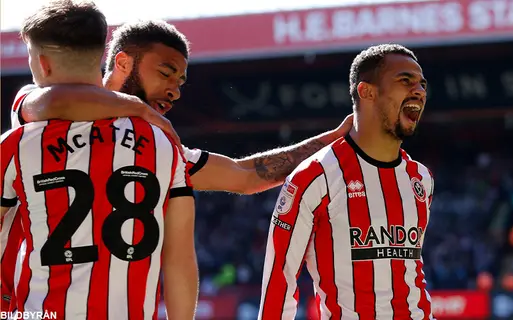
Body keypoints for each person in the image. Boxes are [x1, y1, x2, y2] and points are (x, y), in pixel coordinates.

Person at [2, 19, 352, 313]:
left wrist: (331, 141)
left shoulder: (157, 146)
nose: (174, 90)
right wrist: (137, 108)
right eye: (166, 73)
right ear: (121, 62)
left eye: (180, 82)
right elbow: (43, 100)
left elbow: (246, 177)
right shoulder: (152, 142)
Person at [0, 1, 198, 319]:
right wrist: (140, 109)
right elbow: (179, 261)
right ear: (101, 58)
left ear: (43, 64)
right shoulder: (163, 142)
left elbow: (48, 100)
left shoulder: (18, 139)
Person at [258, 44, 435, 320]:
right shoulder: (314, 177)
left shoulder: (421, 178)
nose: (419, 90)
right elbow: (279, 281)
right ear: (367, 91)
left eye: (422, 84)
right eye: (405, 80)